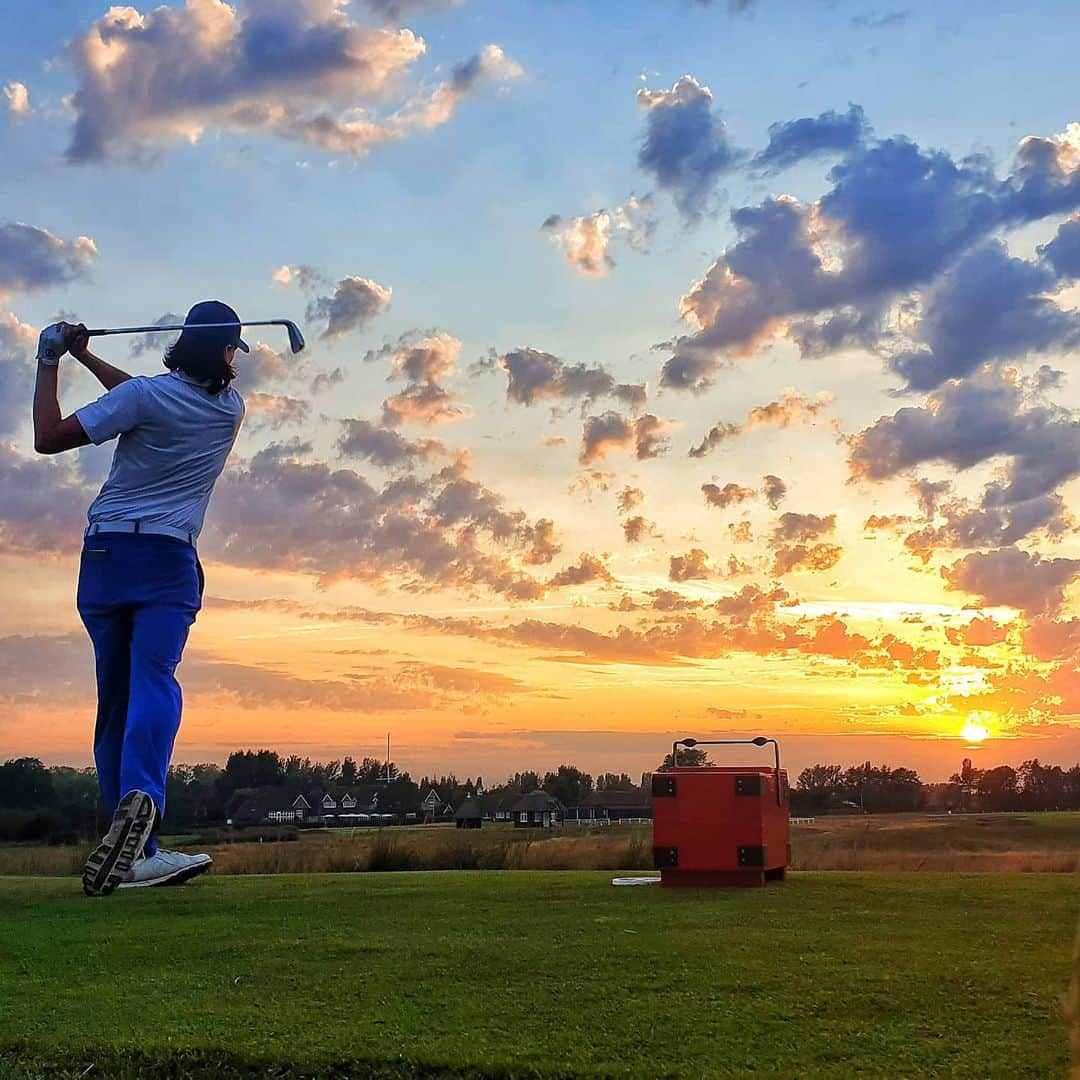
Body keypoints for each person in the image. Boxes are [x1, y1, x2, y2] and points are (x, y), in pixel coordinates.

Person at [32, 301, 247, 896]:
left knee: (116, 702)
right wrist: (86, 357)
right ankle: (142, 804)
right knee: (156, 680)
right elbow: (140, 398)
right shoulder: (229, 409)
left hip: (103, 558)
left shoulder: (146, 398)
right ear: (226, 354)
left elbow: (49, 437)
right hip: (167, 560)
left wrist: (50, 360)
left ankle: (137, 856)